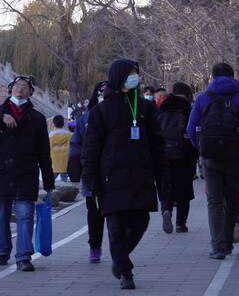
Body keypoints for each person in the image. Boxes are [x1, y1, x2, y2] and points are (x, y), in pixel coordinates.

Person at [82, 59, 163, 289]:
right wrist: (91, 181)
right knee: (115, 227)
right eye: (129, 73)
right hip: (111, 178)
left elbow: (157, 144)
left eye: (136, 73)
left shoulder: (146, 108)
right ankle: (125, 272)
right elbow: (91, 149)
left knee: (141, 222)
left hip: (141, 176)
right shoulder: (101, 111)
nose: (134, 76)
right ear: (118, 76)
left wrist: (162, 176)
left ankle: (119, 258)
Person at [0, 75, 55, 272]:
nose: (20, 89)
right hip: (1, 174)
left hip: (27, 174)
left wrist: (49, 179)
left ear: (30, 92)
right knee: (1, 215)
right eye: (17, 86)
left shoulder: (37, 119)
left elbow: (44, 152)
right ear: (10, 90)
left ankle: (24, 256)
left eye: (25, 87)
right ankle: (2, 251)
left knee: (26, 215)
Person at [187, 63, 239, 260]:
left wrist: (201, 149)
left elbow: (191, 129)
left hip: (210, 158)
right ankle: (227, 241)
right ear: (233, 77)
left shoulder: (202, 99)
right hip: (235, 158)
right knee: (233, 200)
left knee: (214, 201)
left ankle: (218, 246)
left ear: (212, 77)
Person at [69, 81, 107, 263]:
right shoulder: (86, 118)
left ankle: (118, 249)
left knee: (115, 213)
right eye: (100, 94)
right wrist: (75, 169)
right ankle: (95, 246)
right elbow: (76, 146)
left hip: (117, 171)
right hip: (92, 171)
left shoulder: (124, 115)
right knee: (94, 212)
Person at [157, 82, 196, 234]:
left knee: (167, 186)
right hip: (184, 155)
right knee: (184, 190)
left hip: (164, 155)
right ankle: (181, 223)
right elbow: (193, 132)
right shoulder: (188, 110)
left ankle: (166, 210)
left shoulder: (162, 109)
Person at [49, 115, 72, 182]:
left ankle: (49, 192)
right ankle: (64, 192)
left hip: (54, 162)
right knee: (64, 181)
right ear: (63, 124)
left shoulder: (51, 135)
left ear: (54, 124)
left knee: (50, 181)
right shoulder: (69, 135)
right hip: (65, 161)